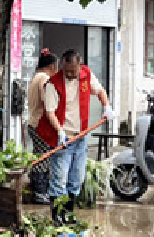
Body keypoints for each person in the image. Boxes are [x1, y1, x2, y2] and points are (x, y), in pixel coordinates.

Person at [37, 49, 114, 224]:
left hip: (81, 136)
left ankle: (68, 213)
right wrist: (60, 132)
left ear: (79, 65)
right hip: (63, 137)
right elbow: (50, 112)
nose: (70, 74)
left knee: (76, 178)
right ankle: (57, 216)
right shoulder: (53, 84)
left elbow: (100, 91)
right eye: (66, 70)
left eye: (73, 70)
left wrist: (106, 106)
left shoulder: (86, 75)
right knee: (59, 178)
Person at [26, 50, 59, 204]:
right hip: (41, 125)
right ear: (52, 66)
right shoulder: (45, 79)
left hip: (33, 122)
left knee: (39, 155)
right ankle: (39, 192)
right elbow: (49, 104)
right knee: (43, 158)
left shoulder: (35, 78)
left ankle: (38, 190)